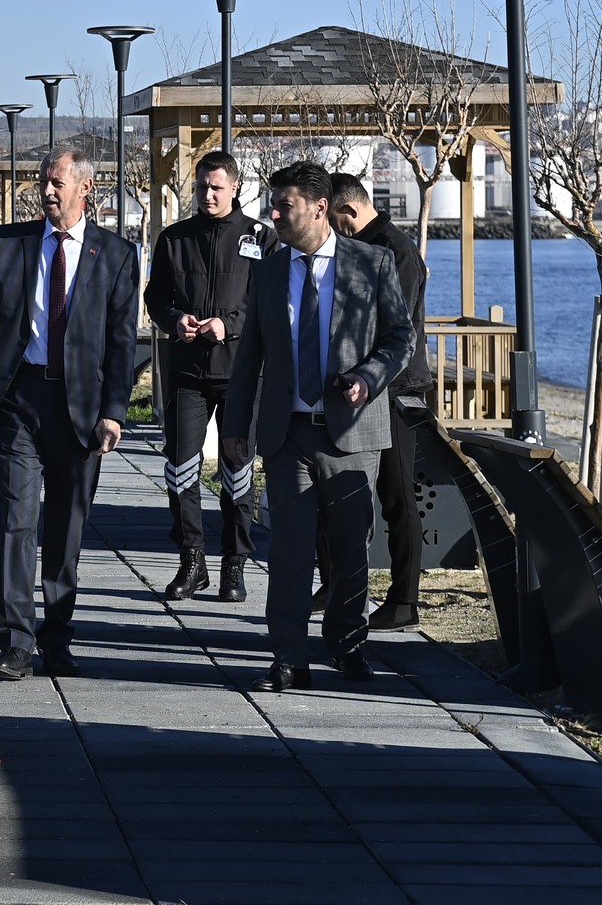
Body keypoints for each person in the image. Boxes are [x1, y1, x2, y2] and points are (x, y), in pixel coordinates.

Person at [0, 150, 141, 682]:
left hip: (80, 408)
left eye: (57, 183)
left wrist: (115, 413)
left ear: (85, 188)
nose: (47, 191)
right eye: (43, 182)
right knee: (16, 521)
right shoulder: (10, 241)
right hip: (19, 401)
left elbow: (122, 343)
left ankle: (57, 636)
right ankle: (15, 641)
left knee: (65, 528)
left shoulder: (118, 254)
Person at [221, 161, 412, 692]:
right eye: (273, 205)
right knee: (289, 551)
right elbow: (249, 358)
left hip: (351, 431)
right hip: (287, 434)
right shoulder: (269, 271)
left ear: (320, 207)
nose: (274, 214)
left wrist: (369, 378)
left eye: (285, 206)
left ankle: (348, 647)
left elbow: (401, 337)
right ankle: (286, 656)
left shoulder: (371, 264)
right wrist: (236, 426)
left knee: (352, 550)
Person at [143, 149, 272, 605]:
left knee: (237, 470)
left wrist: (229, 325)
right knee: (181, 468)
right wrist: (174, 319)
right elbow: (154, 296)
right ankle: (191, 561)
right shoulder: (174, 238)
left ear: (236, 187)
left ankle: (233, 564)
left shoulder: (262, 238)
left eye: (217, 187)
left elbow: (267, 299)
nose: (208, 195)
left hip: (239, 374)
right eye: (201, 187)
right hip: (186, 373)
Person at [328, 171, 432, 630]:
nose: (330, 229)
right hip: (361, 385)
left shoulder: (396, 249)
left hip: (396, 388)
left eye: (333, 218)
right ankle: (337, 584)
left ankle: (405, 599)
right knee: (345, 491)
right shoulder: (358, 245)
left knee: (396, 494)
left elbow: (396, 326)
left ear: (349, 209)